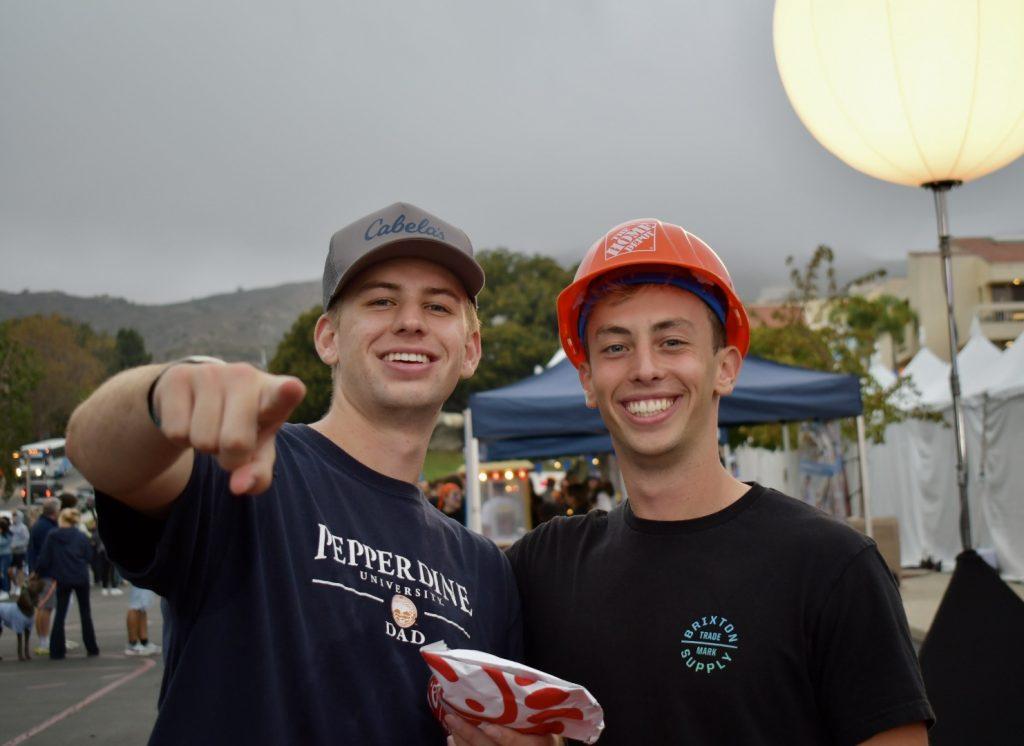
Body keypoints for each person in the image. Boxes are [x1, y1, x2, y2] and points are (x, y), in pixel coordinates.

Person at [456, 219, 933, 745]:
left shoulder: (831, 566)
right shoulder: (545, 566)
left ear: (725, 368)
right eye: (615, 347)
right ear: (588, 379)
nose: (644, 368)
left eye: (672, 341)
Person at [67, 202, 522, 744]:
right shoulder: (248, 466)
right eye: (381, 301)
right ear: (328, 338)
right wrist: (163, 394)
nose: (411, 321)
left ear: (469, 350)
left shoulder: (486, 571)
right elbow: (100, 455)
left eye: (439, 306)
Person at [34, 508, 100, 659]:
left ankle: (57, 650)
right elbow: (89, 555)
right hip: (80, 576)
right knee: (85, 613)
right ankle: (91, 647)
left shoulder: (53, 536)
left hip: (62, 577)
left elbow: (44, 558)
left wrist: (37, 572)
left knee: (60, 614)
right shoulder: (81, 536)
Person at [27, 497, 59, 655]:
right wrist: (39, 570)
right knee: (46, 607)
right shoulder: (48, 528)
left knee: (42, 606)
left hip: (40, 571)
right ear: (55, 512)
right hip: (47, 573)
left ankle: (43, 639)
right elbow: (45, 553)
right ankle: (44, 641)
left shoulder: (39, 525)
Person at [124, 584, 161, 656]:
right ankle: (132, 644)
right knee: (136, 605)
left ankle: (144, 642)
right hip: (139, 575)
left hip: (143, 576)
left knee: (142, 606)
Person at [0, 517, 11, 601]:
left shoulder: (7, 535)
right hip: (1, 555)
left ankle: (6, 590)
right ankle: (2, 589)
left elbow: (2, 543)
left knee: (4, 572)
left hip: (5, 556)